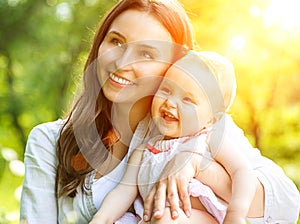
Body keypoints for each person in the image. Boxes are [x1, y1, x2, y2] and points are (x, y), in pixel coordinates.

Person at [20, 0, 201, 223]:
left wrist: (191, 160)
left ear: (175, 67)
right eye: (116, 41)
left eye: (146, 54)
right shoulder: (48, 142)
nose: (122, 62)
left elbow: (254, 199)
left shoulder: (190, 138)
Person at [89, 50, 300, 224]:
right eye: (166, 90)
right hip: (157, 217)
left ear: (212, 118)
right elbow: (123, 192)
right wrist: (101, 218)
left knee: (163, 219)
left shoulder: (208, 139)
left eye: (188, 99)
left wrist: (235, 213)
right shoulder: (144, 151)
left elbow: (242, 171)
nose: (170, 103)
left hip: (202, 218)